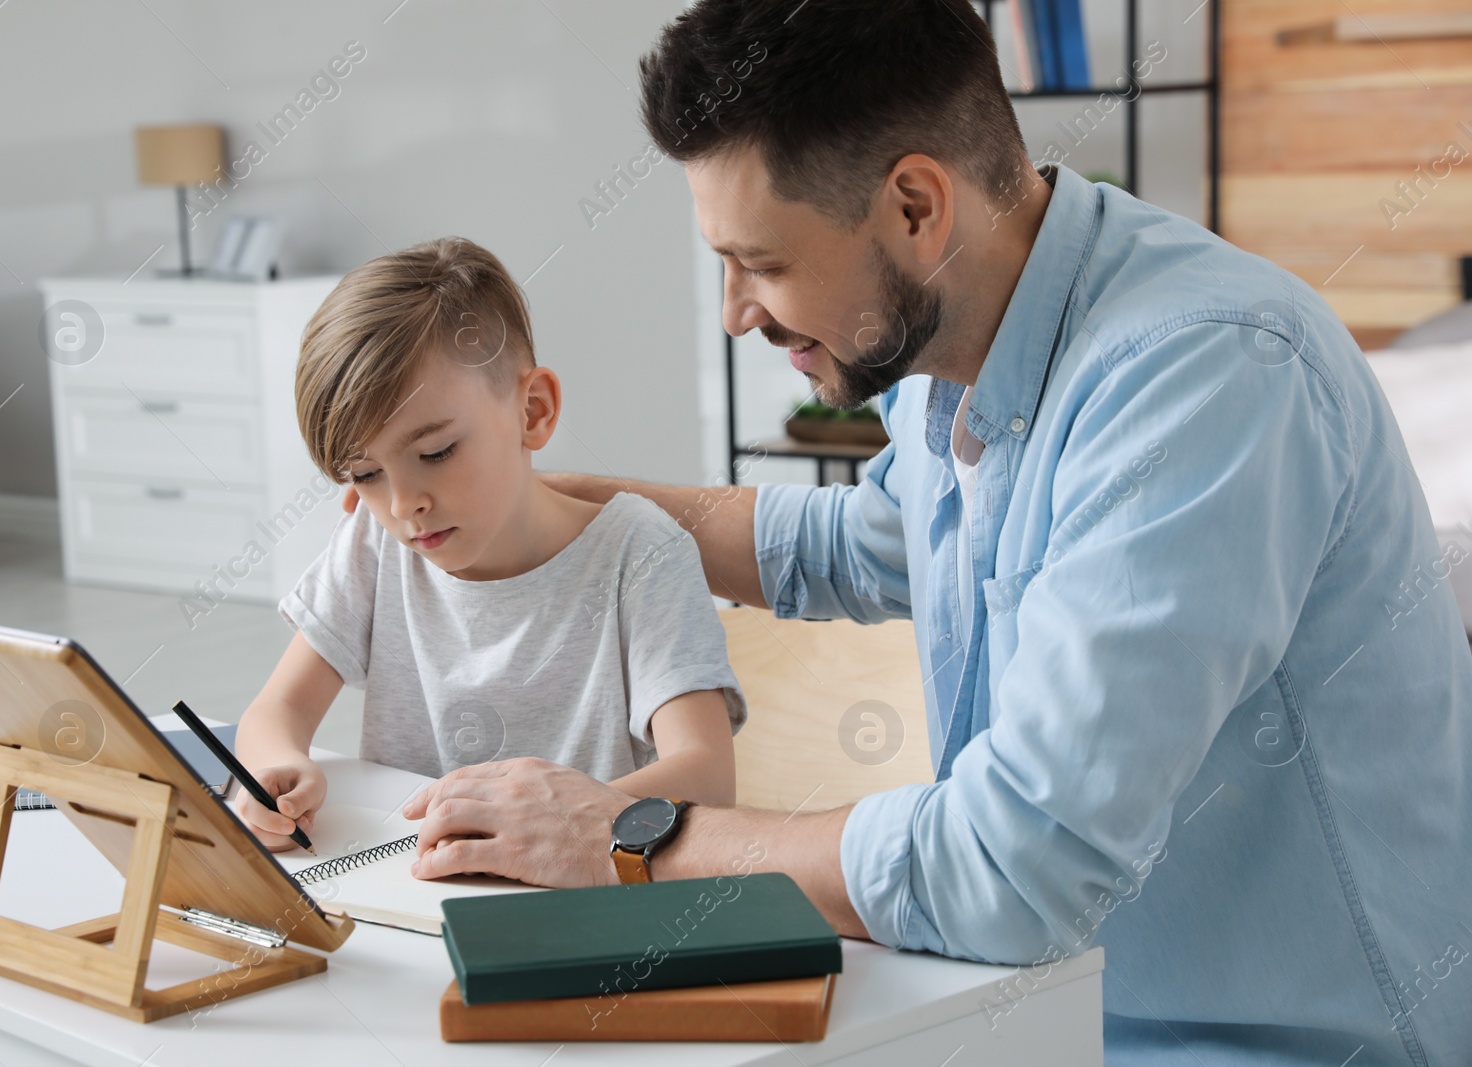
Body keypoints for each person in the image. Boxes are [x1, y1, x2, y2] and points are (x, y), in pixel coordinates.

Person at [398, 2, 1472, 1063]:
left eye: (762, 263)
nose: (735, 310)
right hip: (1044, 1006)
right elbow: (856, 542)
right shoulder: (949, 346)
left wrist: (630, 836)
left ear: (916, 206)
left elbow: (1011, 868)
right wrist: (555, 506)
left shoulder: (1204, 375)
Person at [234, 237, 746, 852]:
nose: (403, 505)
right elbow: (275, 713)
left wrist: (557, 819)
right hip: (417, 885)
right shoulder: (375, 543)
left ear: (533, 410)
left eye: (436, 453)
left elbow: (708, 780)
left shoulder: (641, 554)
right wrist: (276, 768)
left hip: (580, 898)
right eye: (366, 474)